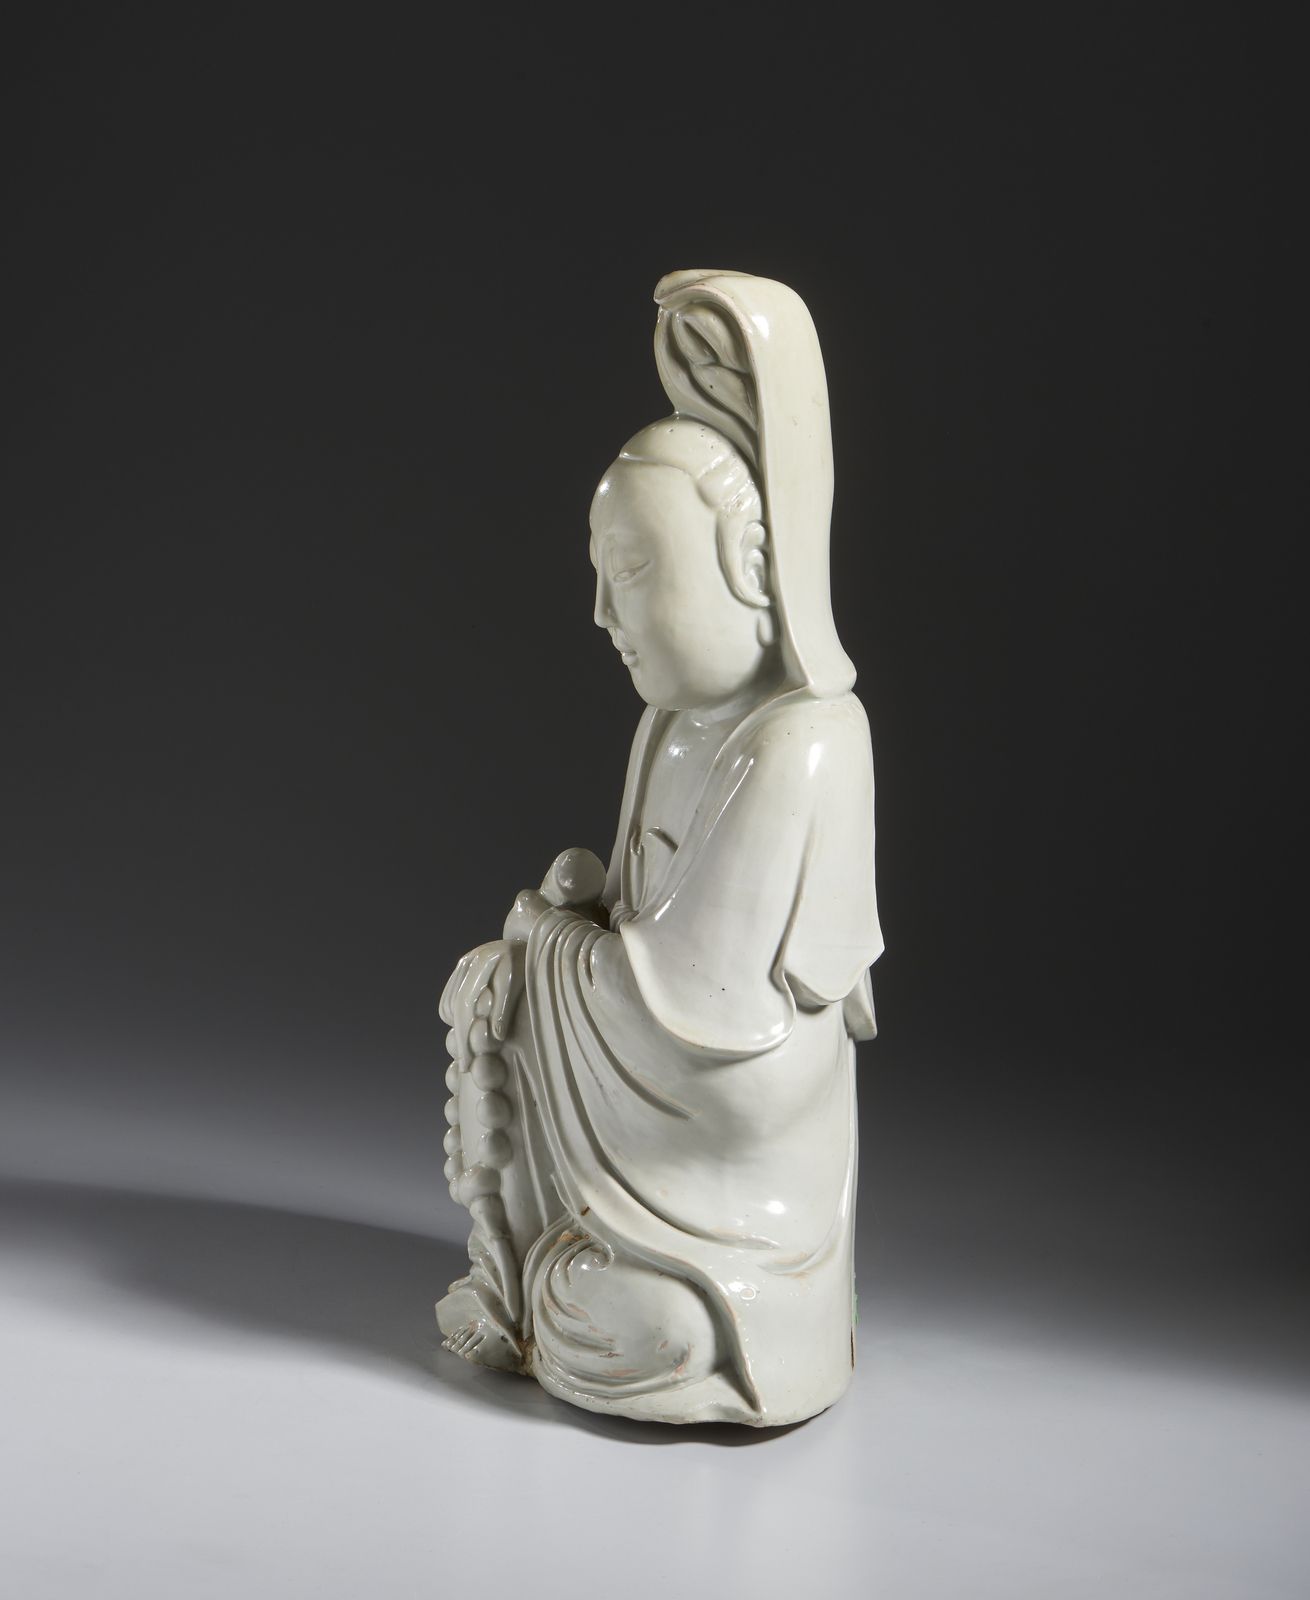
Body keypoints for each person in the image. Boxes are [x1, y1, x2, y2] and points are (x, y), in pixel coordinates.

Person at [437, 270, 883, 1426]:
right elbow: (637, 943)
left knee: (641, 1325)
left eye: (631, 571)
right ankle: (532, 1274)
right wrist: (560, 943)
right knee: (503, 1005)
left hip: (741, 1191)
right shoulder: (669, 726)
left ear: (749, 563)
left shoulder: (807, 739)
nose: (601, 612)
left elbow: (704, 1010)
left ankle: (704, 1313)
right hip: (645, 1132)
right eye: (597, 572)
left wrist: (547, 939)